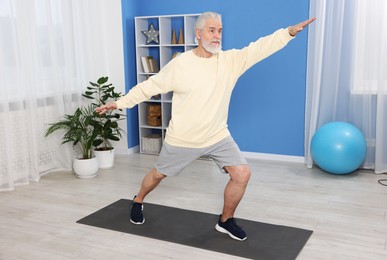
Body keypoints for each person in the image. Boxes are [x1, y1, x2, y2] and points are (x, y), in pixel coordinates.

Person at [96, 12, 315, 241]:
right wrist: (119, 103)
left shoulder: (230, 61)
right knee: (158, 174)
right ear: (198, 34)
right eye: (212, 30)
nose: (217, 35)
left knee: (242, 173)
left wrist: (287, 33)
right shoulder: (180, 64)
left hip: (217, 135)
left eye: (220, 31)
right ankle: (138, 200)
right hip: (183, 138)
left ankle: (225, 220)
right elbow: (150, 86)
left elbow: (258, 48)